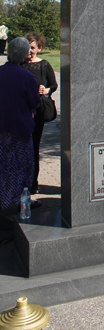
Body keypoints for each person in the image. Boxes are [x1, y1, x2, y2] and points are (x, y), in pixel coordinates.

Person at [0, 37, 40, 214]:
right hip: (20, 128)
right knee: (22, 166)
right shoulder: (26, 76)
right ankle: (20, 201)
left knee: (4, 165)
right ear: (24, 54)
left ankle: (4, 199)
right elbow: (34, 101)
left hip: (2, 127)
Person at [21, 32, 58, 195]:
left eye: (33, 48)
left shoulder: (44, 65)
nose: (29, 51)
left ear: (39, 48)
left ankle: (33, 183)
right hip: (22, 112)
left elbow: (54, 85)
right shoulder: (20, 64)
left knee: (34, 147)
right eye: (27, 47)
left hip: (38, 112)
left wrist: (47, 90)